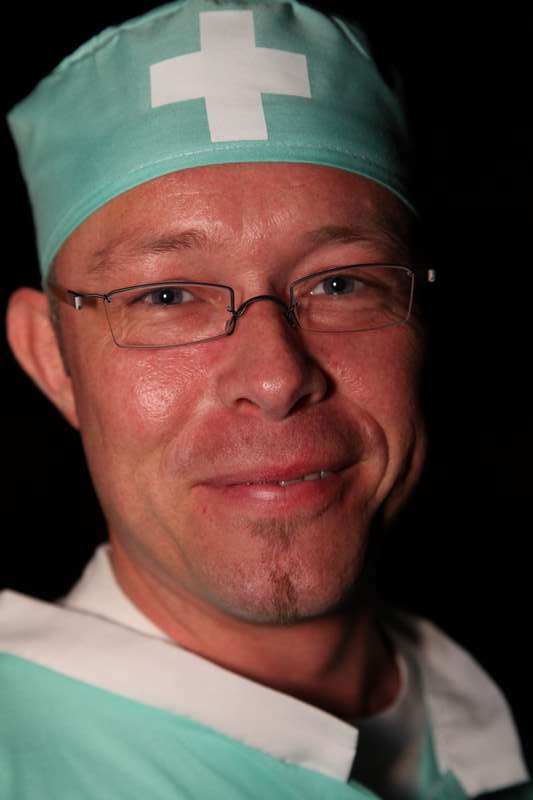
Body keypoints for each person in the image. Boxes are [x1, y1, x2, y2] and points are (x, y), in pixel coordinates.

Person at [1, 1, 530, 798]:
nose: (277, 377)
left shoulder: (486, 701)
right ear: (52, 358)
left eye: (340, 283)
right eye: (167, 295)